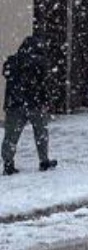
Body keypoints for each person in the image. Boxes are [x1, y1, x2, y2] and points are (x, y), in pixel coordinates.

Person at [2, 35, 57, 175]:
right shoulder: (41, 62)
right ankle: (43, 161)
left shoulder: (12, 61)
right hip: (35, 104)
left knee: (11, 136)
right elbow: (45, 84)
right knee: (41, 133)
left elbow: (6, 74)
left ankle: (8, 163)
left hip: (14, 104)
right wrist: (46, 101)